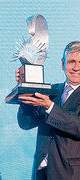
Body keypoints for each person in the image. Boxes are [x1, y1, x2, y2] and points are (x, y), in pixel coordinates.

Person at [17, 41, 80, 180]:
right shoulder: (50, 91)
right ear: (63, 64)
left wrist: (50, 107)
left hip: (71, 174)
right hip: (41, 172)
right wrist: (25, 89)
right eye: (71, 61)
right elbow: (26, 123)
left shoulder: (48, 100)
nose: (76, 67)